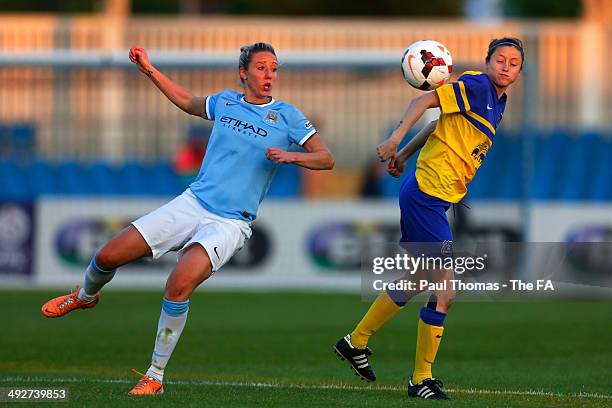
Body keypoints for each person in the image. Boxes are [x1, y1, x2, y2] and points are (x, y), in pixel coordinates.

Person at [41, 42, 334, 395]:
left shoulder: (288, 116)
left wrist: (291, 156)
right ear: (244, 73)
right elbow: (185, 101)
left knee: (178, 284)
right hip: (192, 203)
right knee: (107, 256)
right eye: (261, 68)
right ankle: (85, 296)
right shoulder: (225, 101)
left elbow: (326, 158)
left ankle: (155, 375)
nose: (269, 74)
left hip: (230, 222)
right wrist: (149, 70)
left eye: (274, 67)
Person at [333, 38, 524, 400]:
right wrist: (394, 138)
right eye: (500, 59)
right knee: (446, 290)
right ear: (487, 62)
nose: (505, 67)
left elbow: (440, 125)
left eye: (514, 63)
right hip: (427, 195)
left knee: (421, 276)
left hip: (434, 197)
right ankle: (421, 379)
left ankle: (354, 341)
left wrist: (403, 153)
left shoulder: (497, 100)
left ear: (518, 71)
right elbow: (422, 100)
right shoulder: (476, 84)